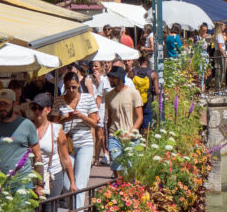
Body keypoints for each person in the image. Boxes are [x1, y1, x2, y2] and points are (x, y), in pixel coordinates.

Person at [0, 89, 42, 192]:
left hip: (22, 182)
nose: (2, 108)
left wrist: (40, 184)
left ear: (14, 104)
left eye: (6, 104)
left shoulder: (27, 124)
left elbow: (37, 155)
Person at [54, 70, 97, 209]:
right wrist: (65, 118)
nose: (71, 90)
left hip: (84, 143)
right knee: (67, 185)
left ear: (79, 84)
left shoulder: (88, 98)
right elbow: (54, 125)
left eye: (74, 86)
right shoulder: (59, 100)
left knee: (79, 183)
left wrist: (81, 116)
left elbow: (95, 123)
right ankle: (74, 207)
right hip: (66, 143)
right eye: (68, 87)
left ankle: (77, 210)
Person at [30, 93, 75, 199]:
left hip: (52, 176)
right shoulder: (28, 128)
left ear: (48, 110)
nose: (37, 111)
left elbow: (65, 158)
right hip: (32, 176)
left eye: (40, 108)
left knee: (50, 208)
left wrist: (72, 182)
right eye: (34, 108)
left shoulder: (56, 129)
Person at [103, 65, 143, 173]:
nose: (110, 80)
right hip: (114, 136)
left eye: (113, 78)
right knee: (117, 167)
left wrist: (130, 133)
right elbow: (110, 118)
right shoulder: (108, 96)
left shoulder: (133, 93)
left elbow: (140, 117)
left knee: (131, 169)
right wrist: (107, 139)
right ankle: (118, 187)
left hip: (131, 137)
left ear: (120, 78)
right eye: (109, 77)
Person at [130, 57, 155, 131]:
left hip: (136, 104)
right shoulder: (152, 73)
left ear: (138, 61)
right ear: (147, 61)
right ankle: (145, 141)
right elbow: (157, 91)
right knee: (146, 129)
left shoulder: (133, 72)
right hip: (147, 103)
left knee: (136, 127)